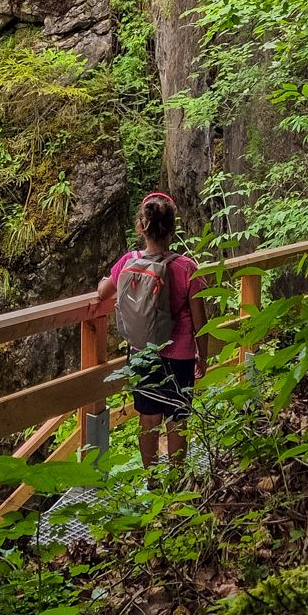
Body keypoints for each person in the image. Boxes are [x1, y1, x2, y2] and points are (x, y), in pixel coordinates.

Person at [94, 192, 207, 473]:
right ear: (172, 229)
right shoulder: (186, 268)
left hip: (142, 353)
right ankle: (176, 479)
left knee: (148, 417)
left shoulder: (128, 261)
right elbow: (200, 321)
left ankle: (152, 481)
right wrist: (202, 356)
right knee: (178, 418)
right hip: (180, 355)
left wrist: (102, 281)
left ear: (141, 227)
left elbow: (103, 292)